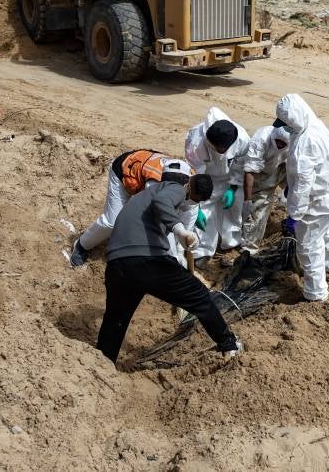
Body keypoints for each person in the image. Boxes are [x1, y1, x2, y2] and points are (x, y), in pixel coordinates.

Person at [95, 172, 243, 364]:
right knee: (200, 295)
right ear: (187, 186)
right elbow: (162, 202)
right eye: (192, 199)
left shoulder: (142, 198)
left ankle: (103, 364)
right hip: (146, 261)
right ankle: (229, 346)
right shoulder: (172, 189)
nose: (189, 202)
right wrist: (180, 230)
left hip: (118, 265)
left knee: (116, 319)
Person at [67, 151, 199, 267]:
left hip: (145, 173)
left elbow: (189, 215)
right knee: (111, 223)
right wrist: (173, 258)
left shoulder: (194, 182)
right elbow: (161, 221)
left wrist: (182, 248)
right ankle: (81, 245)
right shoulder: (154, 185)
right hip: (124, 173)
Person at [276, 94, 329, 302]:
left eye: (287, 123)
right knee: (326, 233)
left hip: (315, 204)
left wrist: (294, 215)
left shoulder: (305, 143)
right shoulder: (315, 124)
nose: (285, 127)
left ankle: (316, 293)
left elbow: (303, 185)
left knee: (308, 246)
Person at [185, 108, 250, 258]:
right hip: (206, 179)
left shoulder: (242, 139)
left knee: (234, 209)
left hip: (229, 177)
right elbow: (195, 172)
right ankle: (202, 251)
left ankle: (230, 244)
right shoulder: (196, 141)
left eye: (225, 148)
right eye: (218, 148)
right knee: (205, 213)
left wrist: (233, 188)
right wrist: (196, 205)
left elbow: (240, 164)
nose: (221, 150)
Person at [240, 125, 291, 250]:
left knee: (295, 196)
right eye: (277, 142)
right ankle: (249, 246)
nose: (279, 145)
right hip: (260, 173)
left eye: (282, 144)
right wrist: (248, 199)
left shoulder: (295, 142)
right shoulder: (261, 140)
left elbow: (297, 173)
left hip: (283, 168)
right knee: (257, 207)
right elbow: (250, 171)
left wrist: (288, 190)